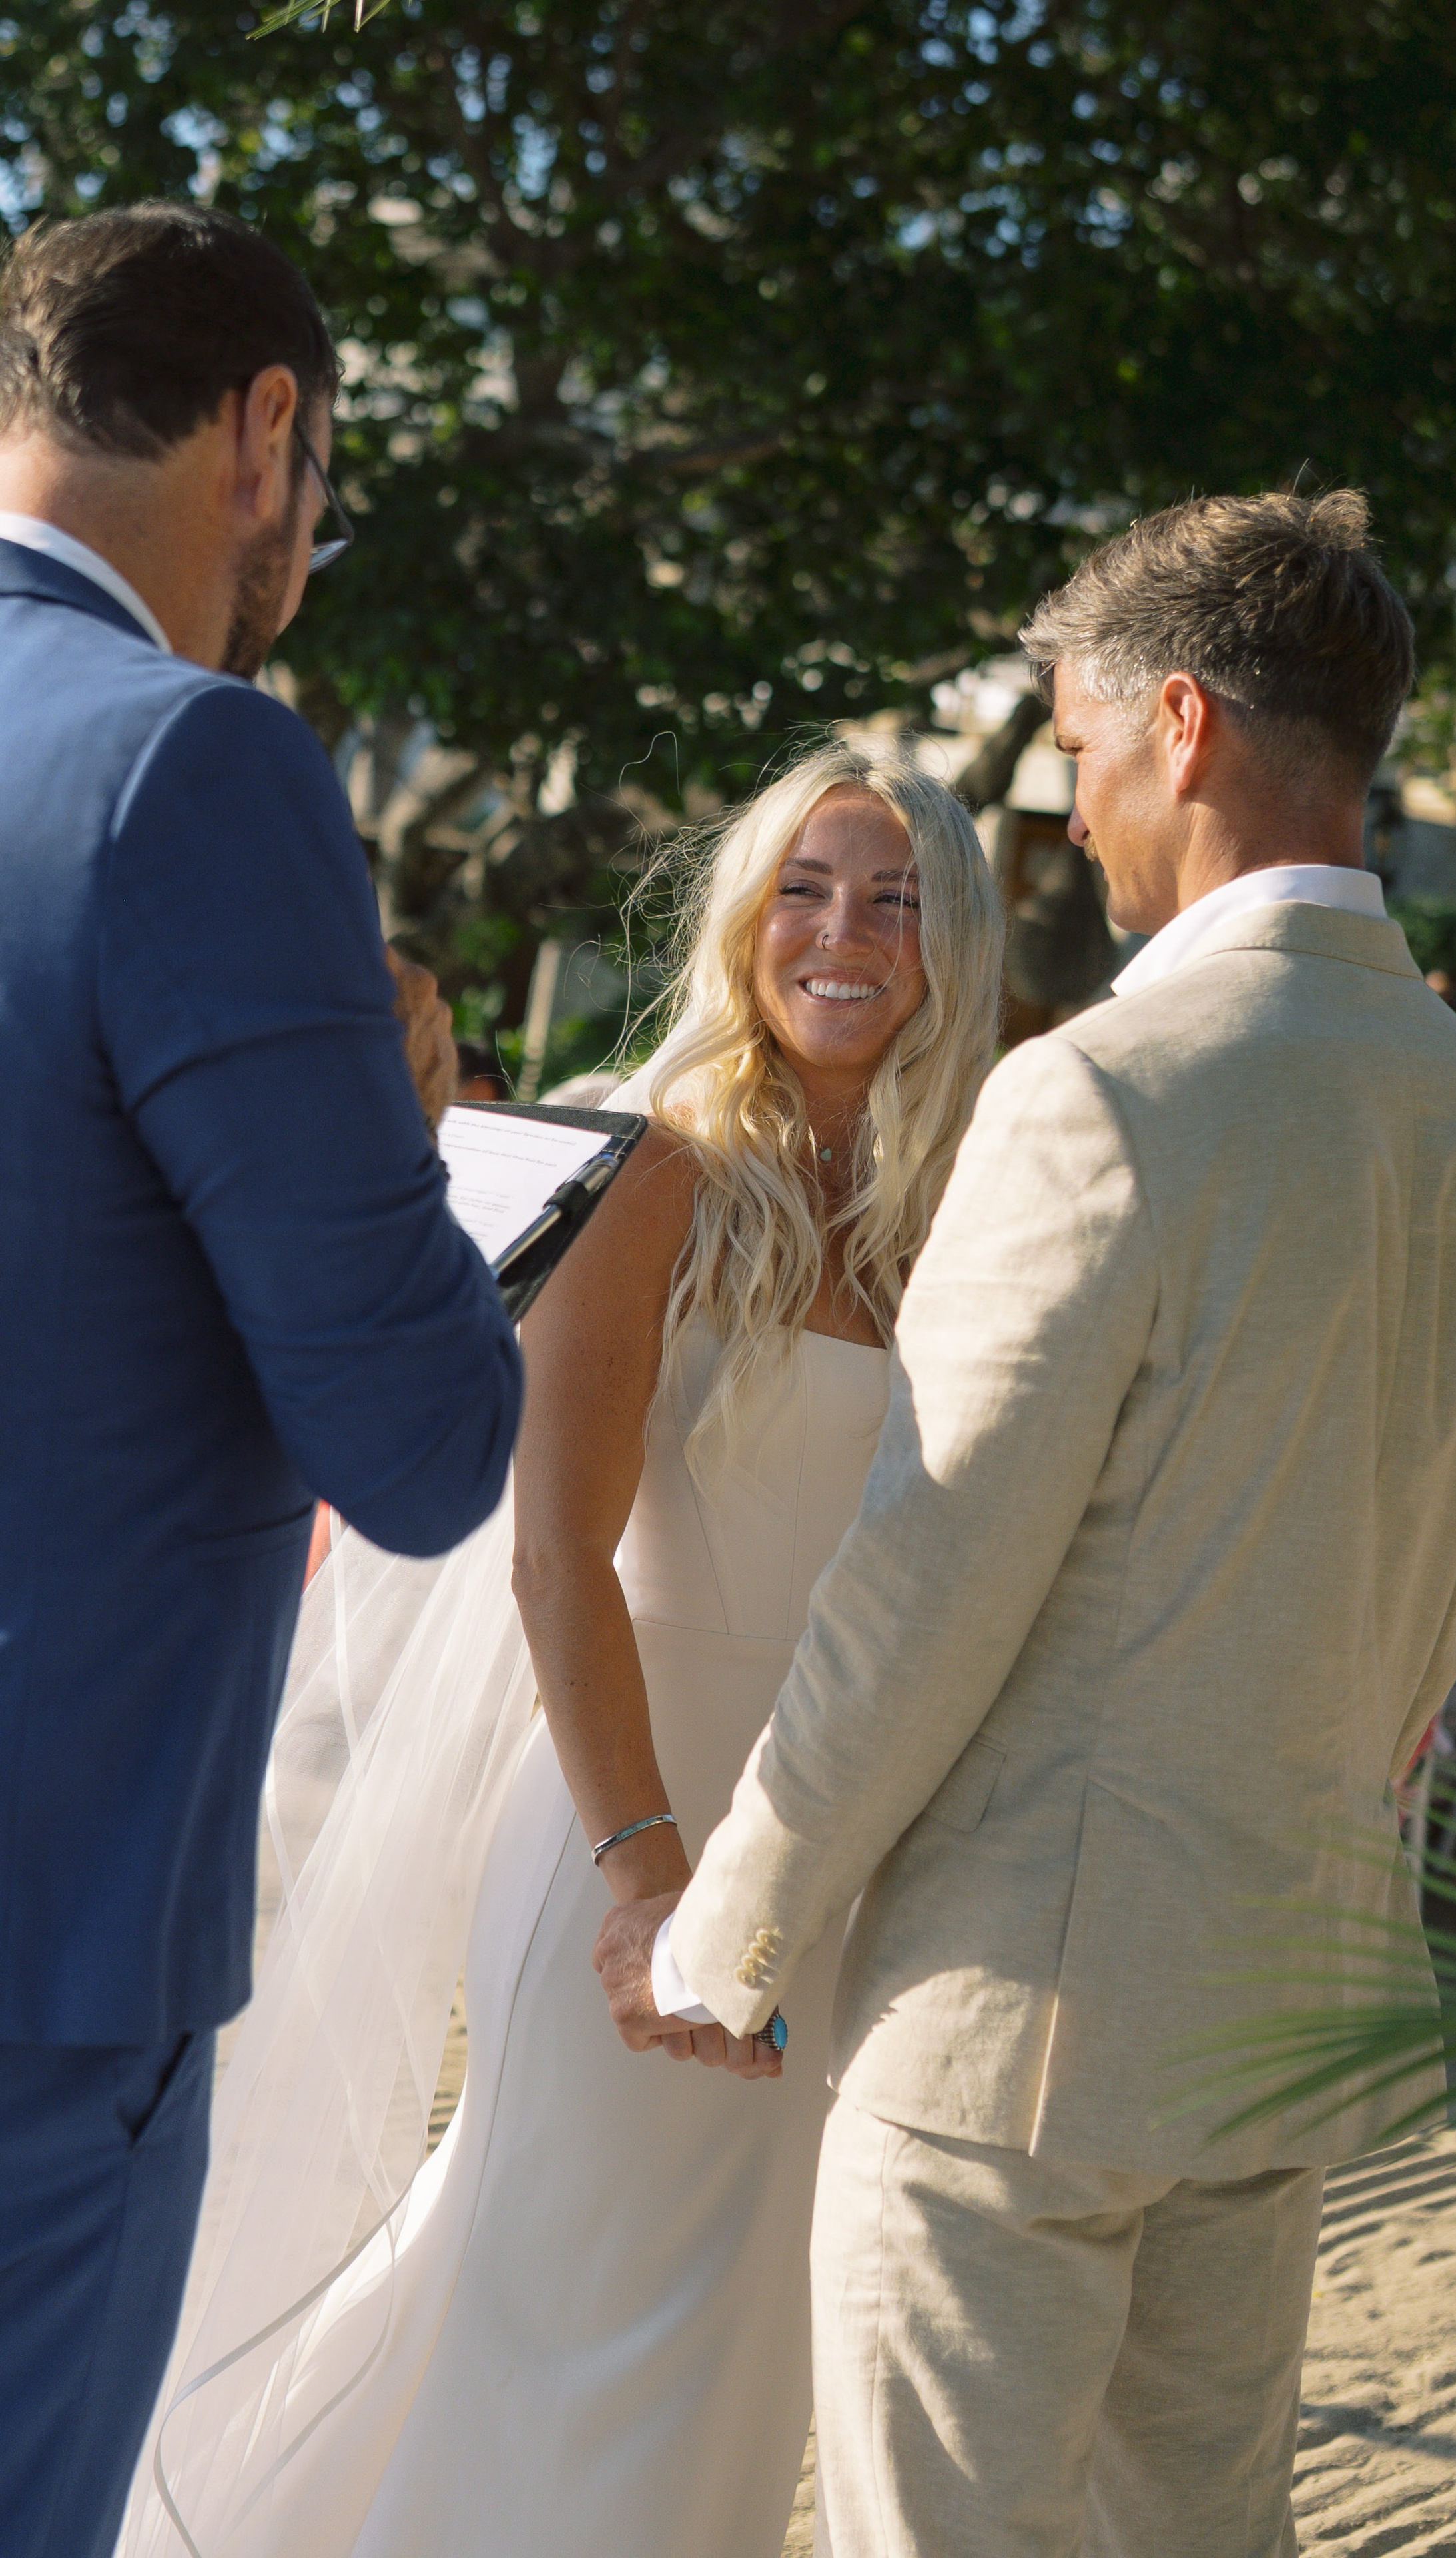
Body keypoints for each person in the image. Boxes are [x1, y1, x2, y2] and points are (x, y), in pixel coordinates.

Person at [597, 490, 1456, 2558]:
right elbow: (1425, 1624)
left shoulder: (1107, 1096)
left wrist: (733, 1923)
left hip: (1007, 2042)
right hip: (1283, 2013)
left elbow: (925, 1589)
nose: (1080, 802)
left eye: (1083, 741)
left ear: (1188, 725)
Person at [117, 740, 1004, 2558]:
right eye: (808, 891)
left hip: (821, 1863)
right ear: (748, 922)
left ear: (956, 944)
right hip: (633, 1815)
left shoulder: (965, 1221)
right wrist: (649, 1880)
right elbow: (550, 1558)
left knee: (720, 2348)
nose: (845, 934)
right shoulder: (659, 1176)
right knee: (574, 2321)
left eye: (896, 898)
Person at [0, 203, 522, 2558]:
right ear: (268, 435)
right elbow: (419, 1450)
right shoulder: (194, 772)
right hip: (46, 1939)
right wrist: (399, 1157)